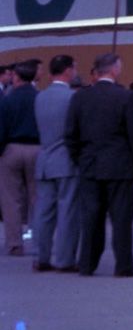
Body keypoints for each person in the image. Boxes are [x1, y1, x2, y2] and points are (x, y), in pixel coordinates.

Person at [66, 53, 133, 277]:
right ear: (114, 70)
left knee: (91, 216)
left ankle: (87, 263)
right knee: (121, 217)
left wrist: (80, 159)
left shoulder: (81, 97)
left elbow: (70, 134)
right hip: (119, 166)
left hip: (90, 165)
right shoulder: (126, 97)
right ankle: (123, 265)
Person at [31, 56, 79, 272]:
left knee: (43, 212)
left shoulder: (40, 97)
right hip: (66, 161)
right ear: (68, 71)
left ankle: (42, 256)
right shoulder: (72, 97)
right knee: (67, 210)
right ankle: (64, 259)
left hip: (45, 160)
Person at [0, 56, 41, 254]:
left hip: (12, 149)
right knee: (37, 198)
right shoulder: (39, 97)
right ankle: (41, 242)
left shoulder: (8, 99)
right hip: (36, 149)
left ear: (16, 77)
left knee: (11, 199)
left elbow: (1, 128)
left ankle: (15, 243)